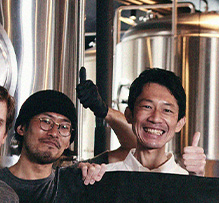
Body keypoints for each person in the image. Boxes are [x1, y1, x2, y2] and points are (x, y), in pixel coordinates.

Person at [77, 67, 206, 175]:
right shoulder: (105, 177)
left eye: (167, 110)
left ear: (179, 123)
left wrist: (197, 181)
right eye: (147, 107)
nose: (155, 118)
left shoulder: (186, 180)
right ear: (129, 114)